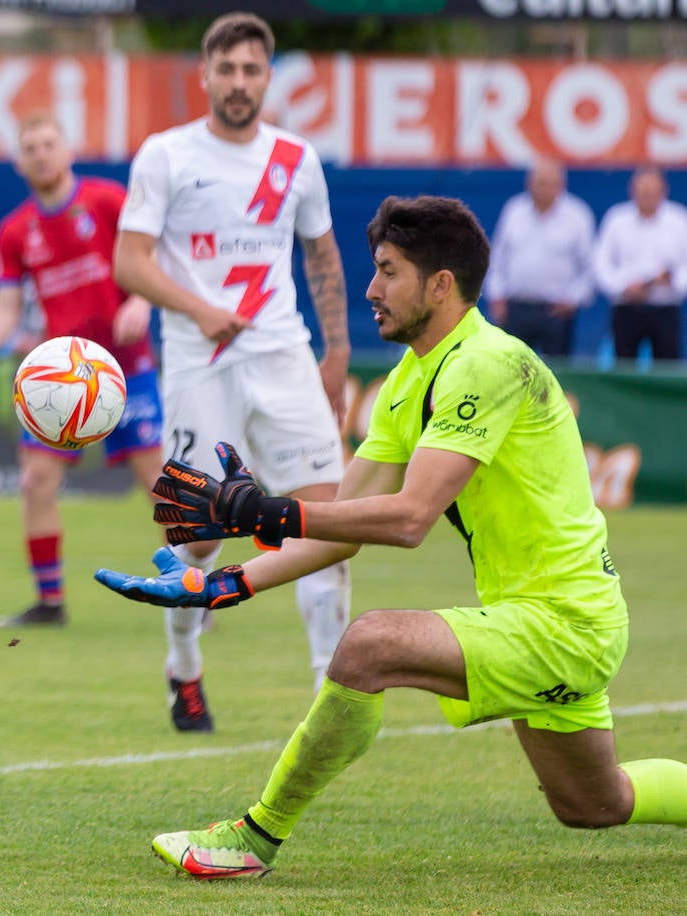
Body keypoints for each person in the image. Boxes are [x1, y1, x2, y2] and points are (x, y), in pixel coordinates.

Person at [96, 194, 687, 880]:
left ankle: (252, 839)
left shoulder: (486, 364)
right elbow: (340, 525)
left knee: (371, 643)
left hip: (563, 623)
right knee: (594, 802)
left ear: (440, 285)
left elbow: (409, 518)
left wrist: (263, 511)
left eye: (387, 271)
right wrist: (222, 582)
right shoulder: (413, 379)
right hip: (545, 620)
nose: (370, 290)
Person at [112, 12, 352, 708]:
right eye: (228, 70)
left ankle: (326, 687)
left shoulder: (295, 160)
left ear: (268, 77)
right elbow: (131, 261)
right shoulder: (166, 154)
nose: (240, 83)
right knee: (200, 538)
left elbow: (322, 255)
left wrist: (335, 350)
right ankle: (184, 663)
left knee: (325, 521)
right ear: (206, 76)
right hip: (201, 365)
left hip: (284, 356)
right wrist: (198, 308)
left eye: (252, 70)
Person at [0, 113, 182, 716]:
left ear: (67, 150)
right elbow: (5, 306)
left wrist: (138, 301)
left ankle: (190, 591)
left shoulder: (106, 200)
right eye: (30, 149)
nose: (41, 155)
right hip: (61, 375)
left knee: (156, 482)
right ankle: (50, 601)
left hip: (123, 367)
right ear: (20, 164)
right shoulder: (15, 231)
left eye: (48, 144)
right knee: (35, 481)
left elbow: (153, 258)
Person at [485, 158, 596, 358]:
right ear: (529, 183)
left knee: (558, 374)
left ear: (561, 185)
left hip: (555, 311)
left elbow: (589, 267)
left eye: (550, 183)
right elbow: (498, 259)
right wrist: (496, 296)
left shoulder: (577, 215)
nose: (544, 189)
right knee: (512, 369)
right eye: (540, 182)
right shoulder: (514, 211)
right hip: (516, 308)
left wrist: (574, 299)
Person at [593, 166, 687, 361]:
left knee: (665, 371)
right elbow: (601, 263)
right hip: (627, 307)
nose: (647, 196)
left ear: (663, 191)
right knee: (624, 368)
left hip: (665, 308)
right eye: (643, 191)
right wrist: (624, 286)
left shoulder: (679, 220)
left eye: (652, 192)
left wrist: (672, 280)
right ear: (632, 190)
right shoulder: (617, 219)